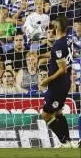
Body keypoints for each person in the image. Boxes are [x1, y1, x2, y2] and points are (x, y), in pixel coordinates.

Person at [39, 14, 74, 148]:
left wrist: (48, 79)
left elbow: (62, 69)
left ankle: (64, 142)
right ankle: (68, 141)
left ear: (57, 28)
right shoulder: (67, 41)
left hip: (58, 84)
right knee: (58, 112)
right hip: (64, 83)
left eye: (53, 26)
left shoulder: (59, 44)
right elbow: (57, 54)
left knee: (46, 114)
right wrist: (41, 55)